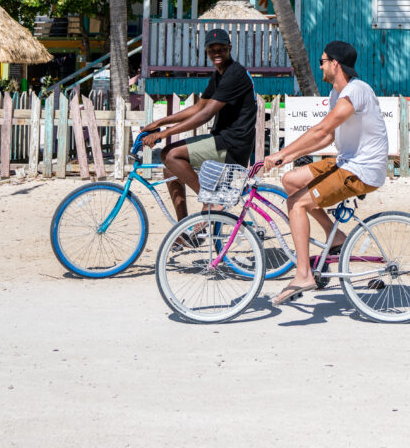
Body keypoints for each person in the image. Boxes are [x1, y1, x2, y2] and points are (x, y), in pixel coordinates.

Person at [262, 39, 388, 305]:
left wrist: (281, 154)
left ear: (335, 63)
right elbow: (326, 137)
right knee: (291, 180)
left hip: (362, 170)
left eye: (322, 61)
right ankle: (337, 237)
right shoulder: (336, 93)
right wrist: (287, 159)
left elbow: (320, 130)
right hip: (346, 162)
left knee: (296, 204)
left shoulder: (357, 90)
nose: (320, 66)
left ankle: (304, 274)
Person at [138, 30, 256, 221]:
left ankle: (210, 202)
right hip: (223, 140)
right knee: (170, 168)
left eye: (221, 49)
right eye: (212, 50)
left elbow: (205, 115)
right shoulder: (220, 75)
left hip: (232, 144)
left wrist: (163, 134)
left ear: (230, 49)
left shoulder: (234, 74)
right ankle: (184, 228)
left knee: (170, 154)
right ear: (206, 51)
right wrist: (160, 122)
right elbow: (199, 106)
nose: (217, 54)